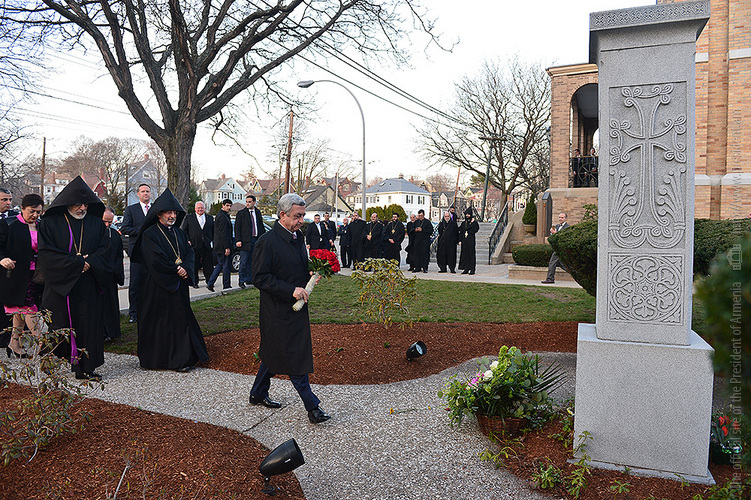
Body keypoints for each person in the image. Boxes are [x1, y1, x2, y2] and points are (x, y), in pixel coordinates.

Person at [249, 193, 331, 424]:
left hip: (297, 308)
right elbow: (259, 278)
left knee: (272, 353)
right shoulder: (266, 242)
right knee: (293, 357)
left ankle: (257, 393)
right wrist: (290, 290)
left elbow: (294, 267)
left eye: (303, 216)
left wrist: (310, 275)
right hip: (276, 311)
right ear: (283, 215)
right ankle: (312, 407)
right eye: (297, 216)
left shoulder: (298, 237)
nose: (301, 220)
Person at [38, 176, 111, 381]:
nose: (82, 208)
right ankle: (48, 362)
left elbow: (105, 249)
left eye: (85, 204)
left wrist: (91, 262)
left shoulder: (95, 224)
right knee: (59, 327)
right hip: (62, 286)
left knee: (88, 327)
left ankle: (86, 368)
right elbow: (47, 254)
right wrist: (78, 263)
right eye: (78, 204)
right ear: (67, 202)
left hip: (88, 285)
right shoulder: (50, 223)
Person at [131, 188, 209, 372]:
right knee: (160, 324)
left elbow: (189, 253)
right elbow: (154, 259)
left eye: (174, 212)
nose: (172, 216)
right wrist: (176, 270)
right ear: (159, 214)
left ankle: (181, 359)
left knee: (179, 322)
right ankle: (158, 360)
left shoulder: (179, 233)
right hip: (157, 287)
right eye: (168, 212)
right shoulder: (150, 234)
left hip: (178, 287)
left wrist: (186, 268)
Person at [0, 193, 44, 357]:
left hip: (36, 275)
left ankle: (14, 344)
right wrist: (3, 258)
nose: (35, 215)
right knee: (29, 308)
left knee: (21, 310)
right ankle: (43, 343)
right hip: (16, 276)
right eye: (32, 211)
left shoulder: (40, 226)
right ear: (23, 208)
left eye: (38, 212)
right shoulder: (9, 224)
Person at [121, 183, 151, 322]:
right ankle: (133, 313)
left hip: (152, 253)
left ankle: (149, 311)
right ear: (138, 194)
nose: (145, 194)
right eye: (143, 191)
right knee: (135, 284)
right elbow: (125, 228)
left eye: (147, 191)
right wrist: (140, 231)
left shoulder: (155, 210)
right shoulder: (131, 210)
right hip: (137, 252)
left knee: (150, 284)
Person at [101, 207, 124, 341]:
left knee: (111, 305)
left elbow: (119, 255)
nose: (107, 225)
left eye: (110, 222)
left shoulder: (115, 235)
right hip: (99, 275)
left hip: (112, 275)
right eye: (105, 221)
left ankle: (112, 332)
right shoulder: (95, 234)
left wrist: (116, 271)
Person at [0, 187, 19, 344]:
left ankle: (6, 337)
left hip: (11, 266)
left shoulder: (16, 218)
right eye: (4, 200)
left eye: (10, 200)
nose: (8, 203)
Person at [234, 194, 265, 288]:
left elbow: (260, 226)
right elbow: (237, 228)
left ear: (254, 202)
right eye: (246, 202)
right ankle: (241, 281)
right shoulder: (241, 213)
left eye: (249, 202)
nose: (247, 203)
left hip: (256, 240)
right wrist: (238, 240)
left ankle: (249, 279)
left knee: (253, 261)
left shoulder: (257, 212)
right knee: (244, 261)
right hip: (245, 241)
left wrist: (263, 239)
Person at [181, 201, 214, 289]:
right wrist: (188, 240)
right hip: (194, 245)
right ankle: (194, 282)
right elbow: (184, 231)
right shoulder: (189, 218)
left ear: (204, 209)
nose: (200, 209)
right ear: (195, 209)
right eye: (198, 208)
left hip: (207, 245)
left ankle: (209, 281)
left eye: (202, 208)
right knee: (194, 264)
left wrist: (212, 240)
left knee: (208, 265)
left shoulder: (210, 218)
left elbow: (213, 231)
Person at [207, 199, 234, 292]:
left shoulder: (223, 215)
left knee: (220, 265)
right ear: (223, 205)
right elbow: (223, 233)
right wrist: (226, 247)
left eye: (230, 206)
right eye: (227, 205)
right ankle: (226, 285)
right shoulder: (222, 216)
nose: (229, 207)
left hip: (220, 245)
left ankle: (211, 283)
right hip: (222, 246)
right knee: (225, 266)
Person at [541, 213, 570, 284]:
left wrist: (556, 234)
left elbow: (564, 238)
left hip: (561, 249)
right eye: (559, 217)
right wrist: (552, 234)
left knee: (552, 262)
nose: (560, 219)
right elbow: (552, 238)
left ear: (566, 219)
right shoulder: (556, 226)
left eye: (562, 217)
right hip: (556, 248)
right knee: (562, 264)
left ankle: (550, 279)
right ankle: (578, 273)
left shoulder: (568, 228)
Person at [458, 208, 480, 275]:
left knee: (471, 255)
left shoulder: (474, 223)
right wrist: (460, 240)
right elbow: (461, 231)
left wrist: (472, 224)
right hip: (464, 241)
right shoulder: (464, 223)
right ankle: (466, 268)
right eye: (466, 214)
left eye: (468, 214)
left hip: (470, 241)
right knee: (465, 255)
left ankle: (472, 269)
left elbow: (476, 229)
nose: (467, 215)